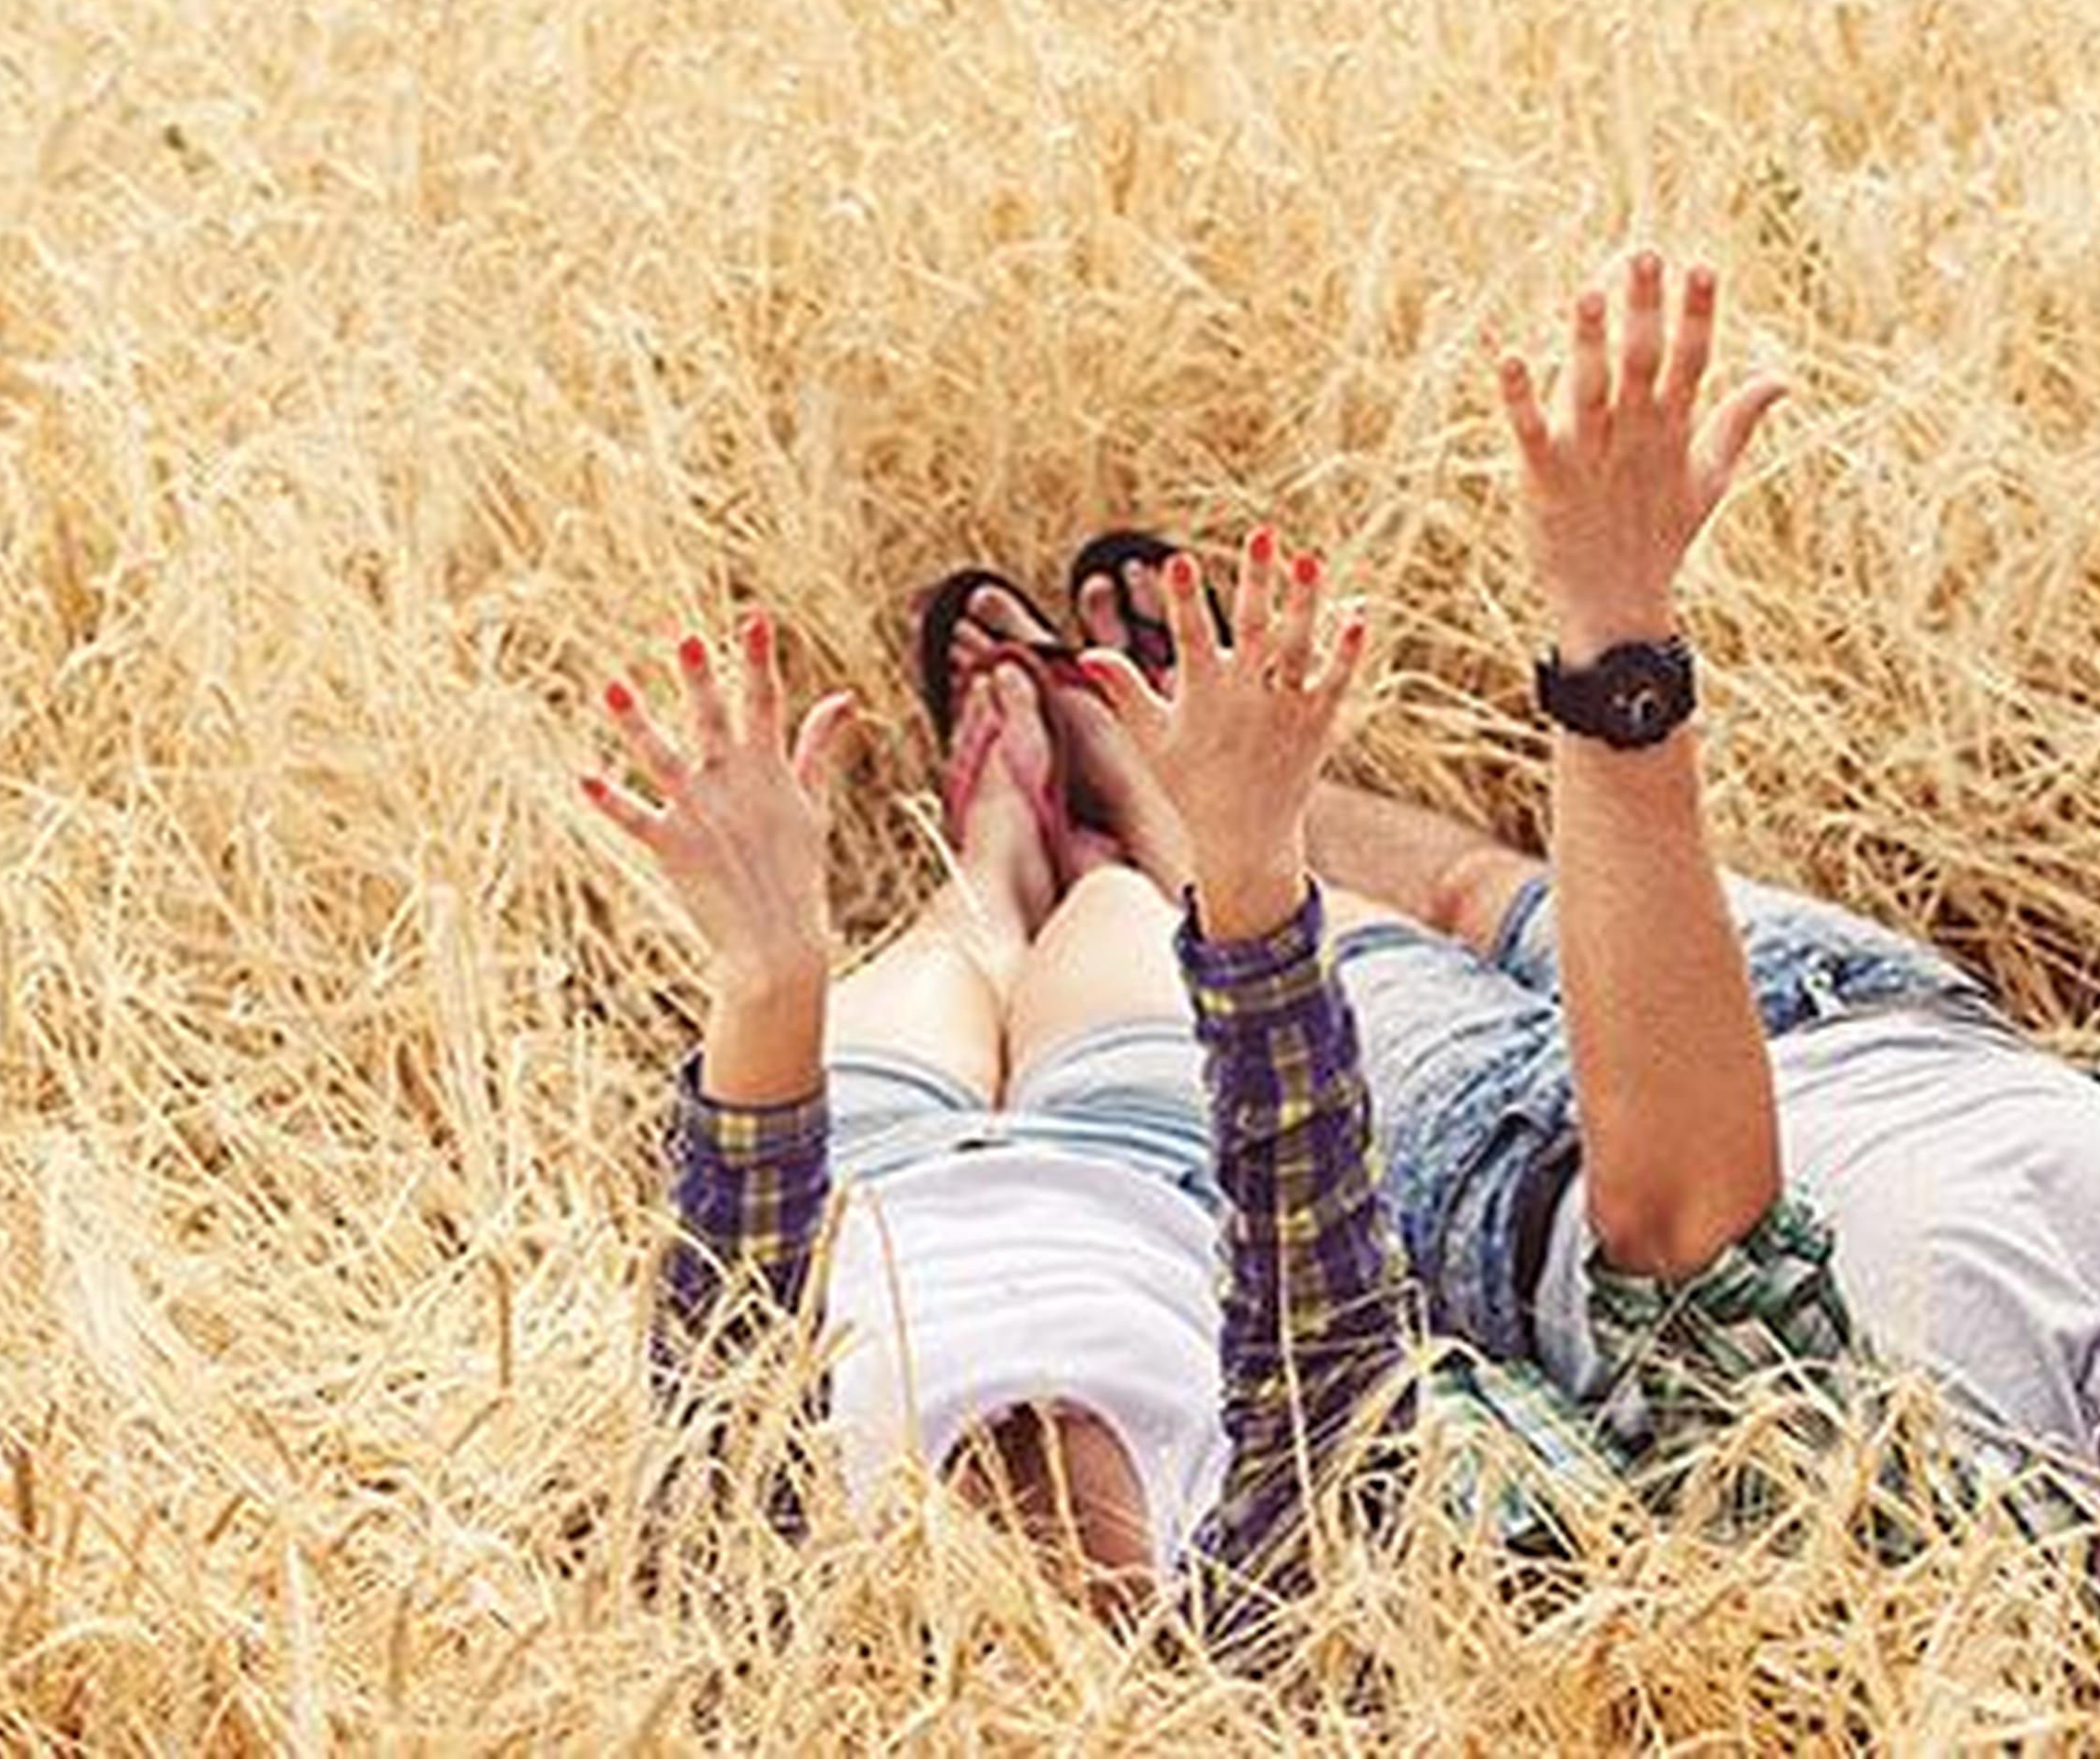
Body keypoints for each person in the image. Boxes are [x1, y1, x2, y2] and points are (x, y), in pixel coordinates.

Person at [1062, 37, 2100, 1546]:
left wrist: (1618, 641)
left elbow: (1690, 1228)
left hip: (1545, 1158)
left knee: (1329, 934)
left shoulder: (1976, 1560)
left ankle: (1121, 795)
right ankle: (1210, 745)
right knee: (1482, 889)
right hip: (1881, 1014)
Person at [582, 526, 1631, 1637]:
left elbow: (732, 1334)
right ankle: (1120, 807)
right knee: (1121, 907)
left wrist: (772, 971)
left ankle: (996, 838)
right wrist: (1243, 862)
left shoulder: (802, 1634)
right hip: (1142, 1154)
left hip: (869, 1176)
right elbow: (1309, 1242)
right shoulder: (1255, 1605)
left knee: (959, 941)